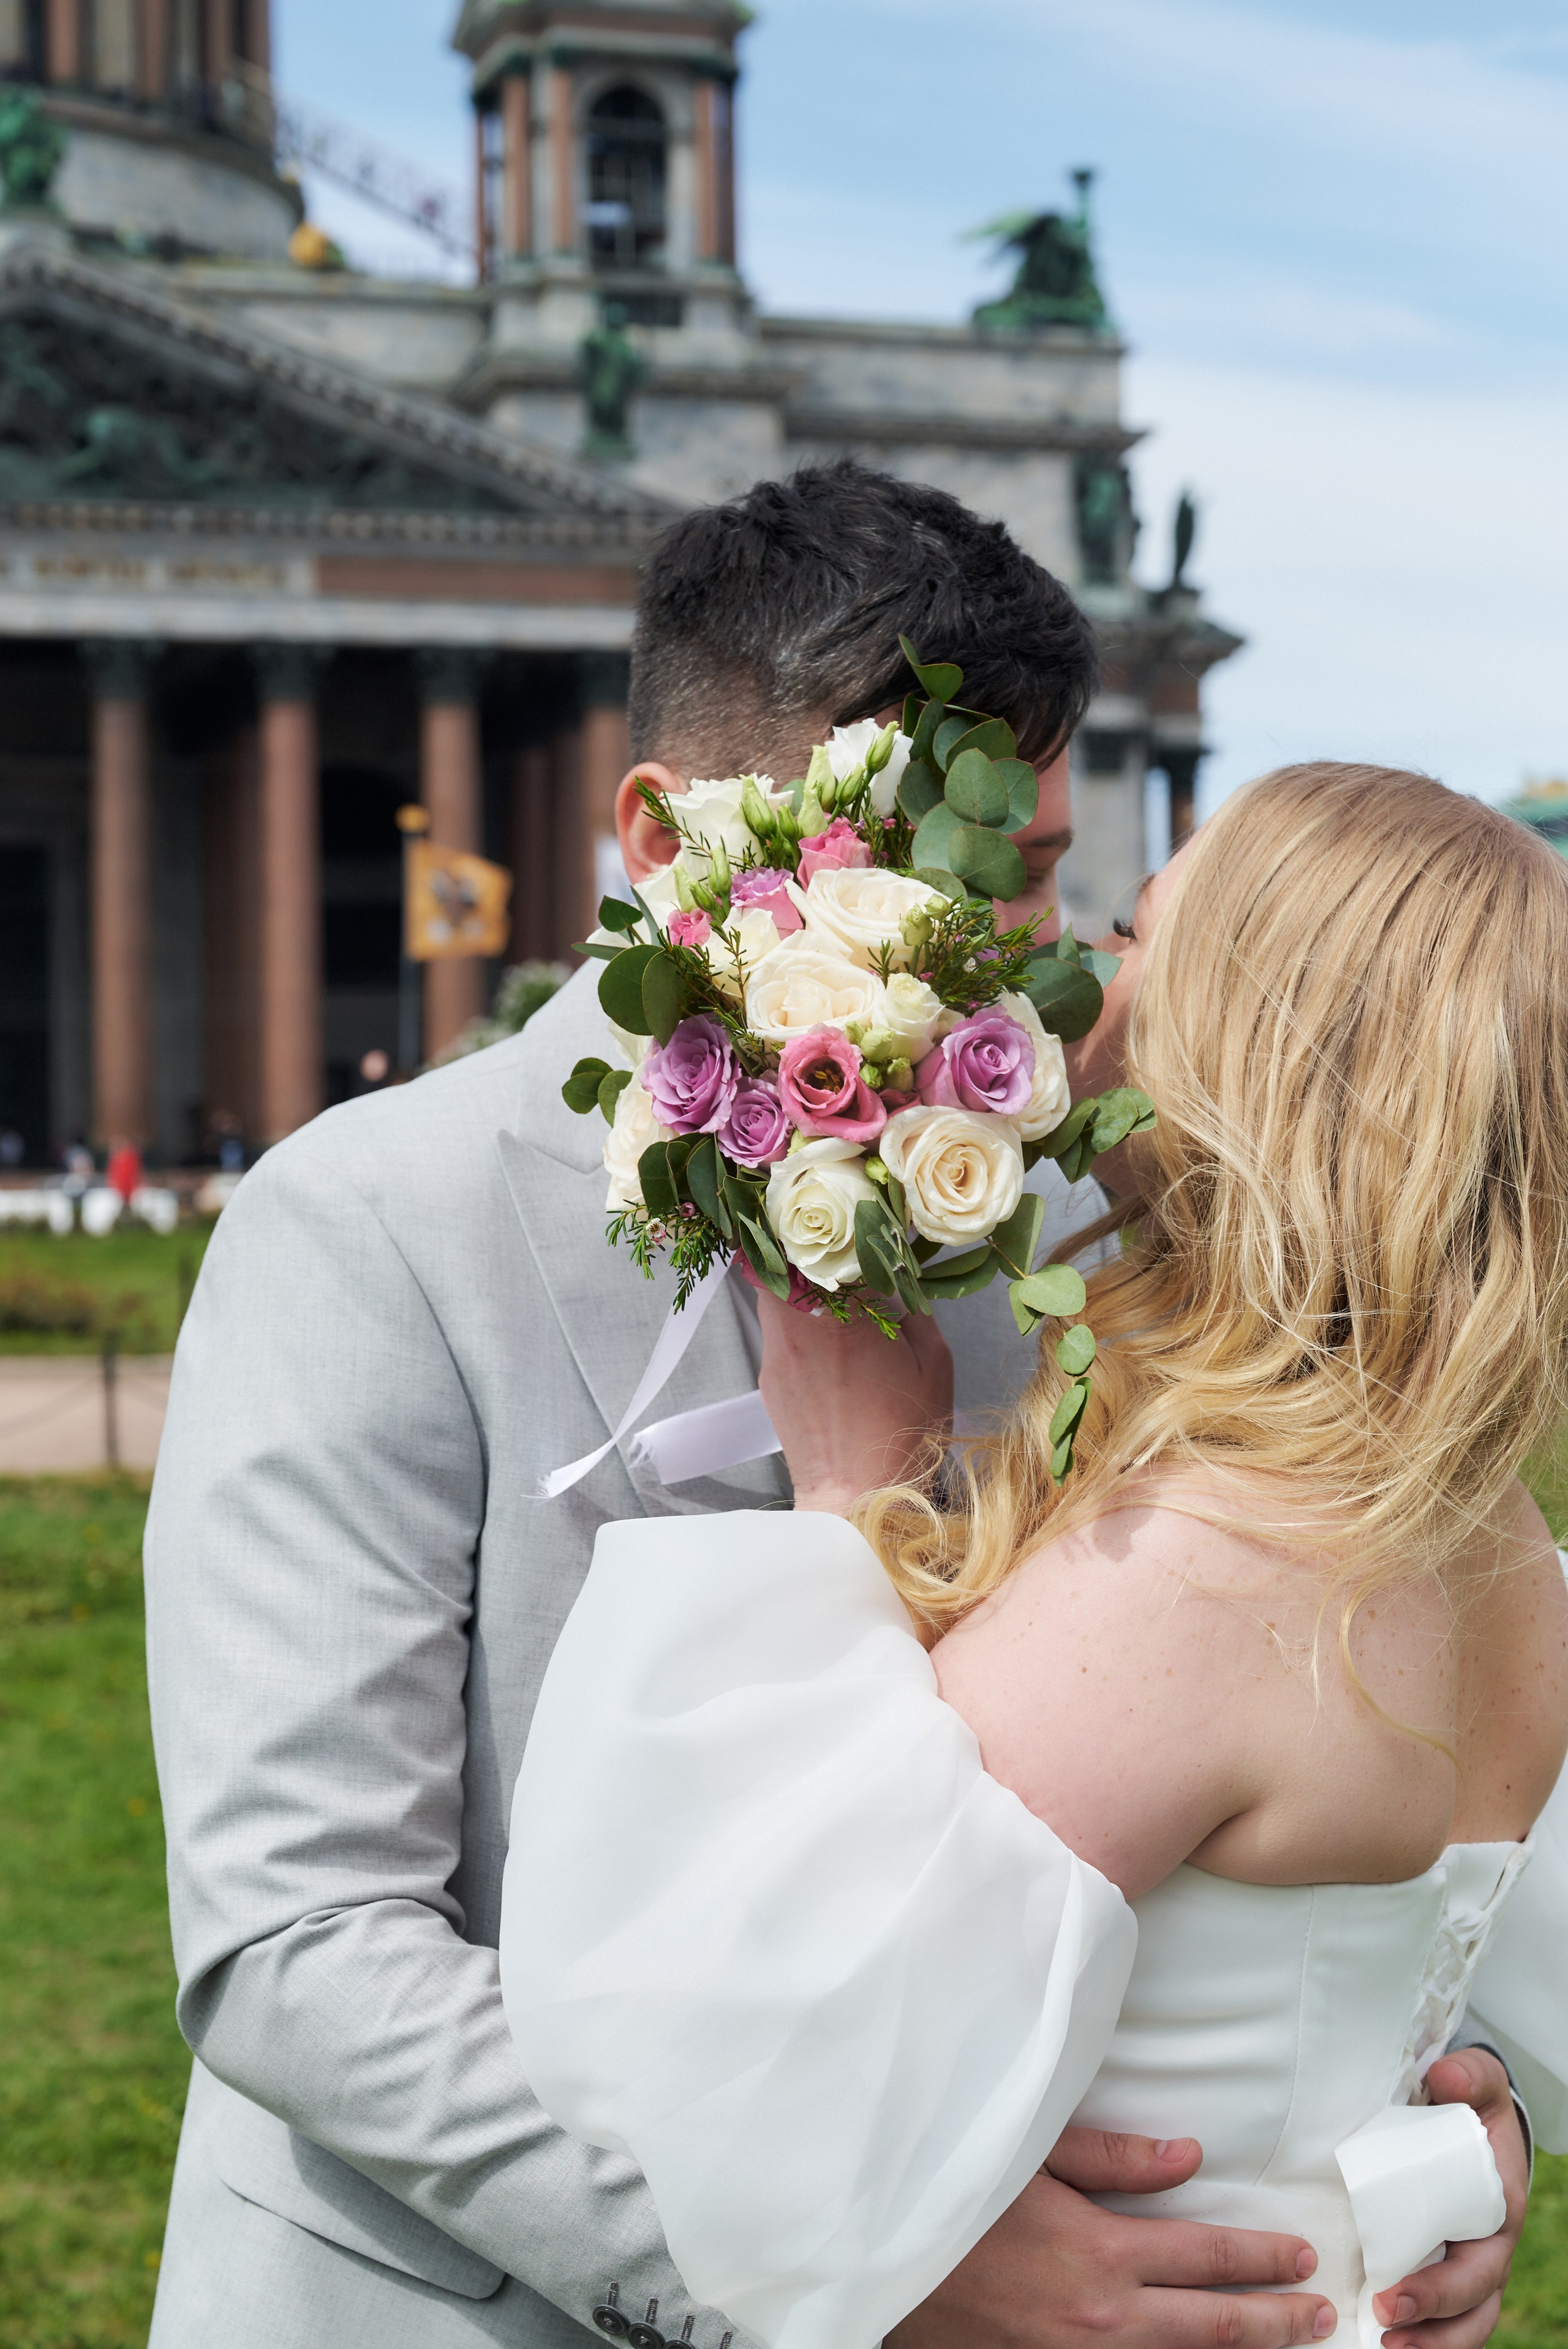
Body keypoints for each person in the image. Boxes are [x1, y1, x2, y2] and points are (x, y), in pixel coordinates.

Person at [142, 459, 1525, 2349]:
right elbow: (303, 1950)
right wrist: (867, 2250)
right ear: (663, 835)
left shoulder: (1085, 1220)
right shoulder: (369, 1226)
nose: (1003, 961)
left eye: (1031, 879)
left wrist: (1424, 2131)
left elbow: (1291, 1823)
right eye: (921, 865)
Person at [503, 763, 1568, 2349]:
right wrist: (1436, 2172)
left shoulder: (1217, 1567)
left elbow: (782, 2049)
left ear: (1253, 1048)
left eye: (1139, 942)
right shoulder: (1496, 1531)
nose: (1079, 990)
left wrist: (852, 1494)